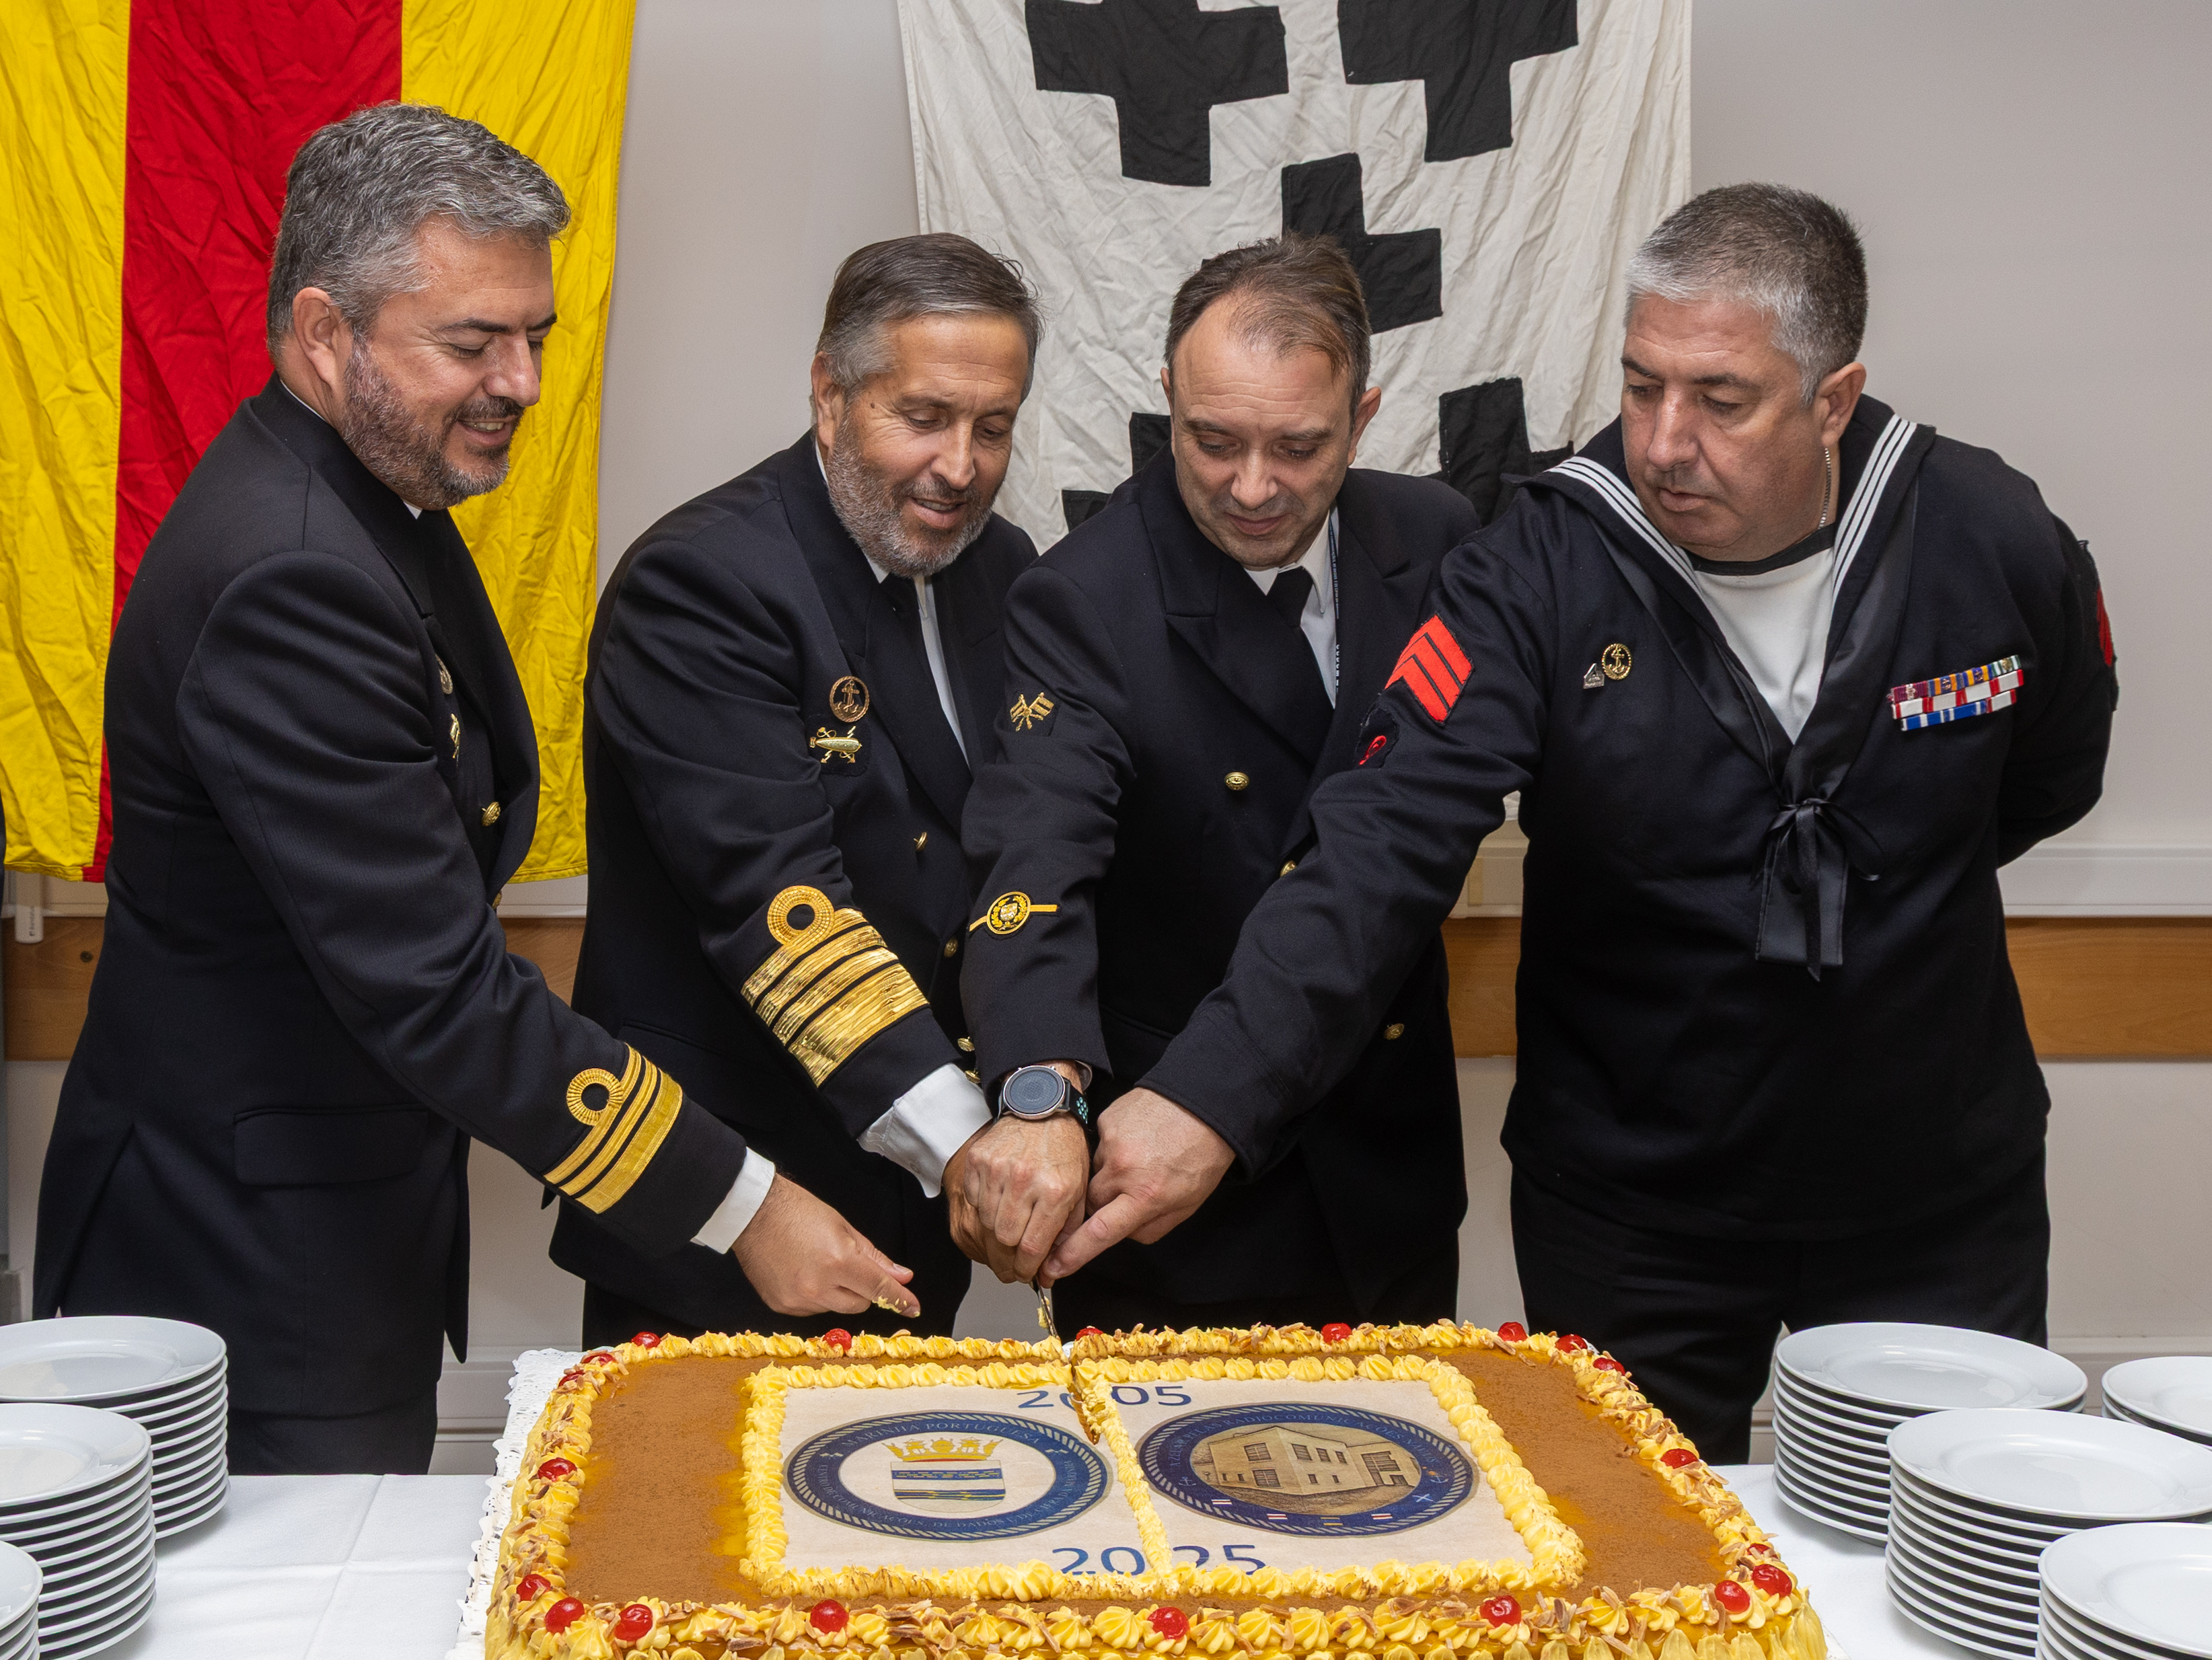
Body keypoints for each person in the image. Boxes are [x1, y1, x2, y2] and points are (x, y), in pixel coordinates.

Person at [1045, 184, 2119, 1460]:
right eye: (1641, 384)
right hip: (1635, 1207)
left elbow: (2051, 775)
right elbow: (1386, 839)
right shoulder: (1541, 560)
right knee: (1636, 1579)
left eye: (1721, 400)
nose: (1664, 441)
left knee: (1949, 1557)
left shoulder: (1987, 534)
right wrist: (1215, 1096)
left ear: (1832, 399)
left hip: (1938, 1191)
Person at [32, 104, 910, 1476]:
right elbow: (439, 990)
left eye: (535, 335)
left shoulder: (370, 501)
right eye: (471, 342)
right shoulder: (296, 572)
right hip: (236, 1266)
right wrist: (743, 1204)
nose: (523, 381)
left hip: (315, 1221)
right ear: (326, 335)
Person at [551, 235, 1087, 1345]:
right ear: (830, 395)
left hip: (916, 1206)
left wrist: (1043, 1096)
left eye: (994, 427)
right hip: (731, 1205)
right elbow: (777, 903)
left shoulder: (1007, 569)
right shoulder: (703, 583)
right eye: (924, 416)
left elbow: (1030, 849)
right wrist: (976, 1153)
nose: (961, 465)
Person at [959, 235, 1479, 1332]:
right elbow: (1037, 850)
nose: (1254, 488)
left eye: (1300, 446)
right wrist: (1038, 1089)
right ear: (1166, 401)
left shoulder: (1435, 538)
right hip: (1175, 1195)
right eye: (1214, 442)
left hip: (1389, 1171)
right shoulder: (1084, 597)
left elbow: (1397, 845)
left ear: (1366, 413)